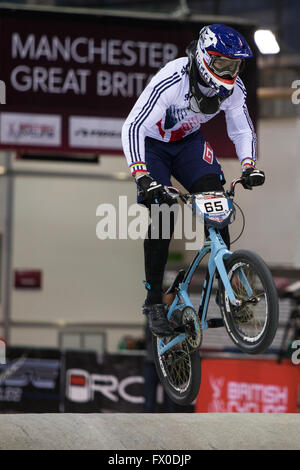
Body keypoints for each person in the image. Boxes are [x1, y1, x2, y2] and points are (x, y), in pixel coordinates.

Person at [121, 24, 265, 337]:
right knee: (163, 214)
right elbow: (133, 127)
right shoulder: (172, 79)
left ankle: (225, 288)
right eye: (222, 64)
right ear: (202, 59)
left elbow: (241, 129)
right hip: (153, 146)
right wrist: (141, 173)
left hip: (188, 143)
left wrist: (249, 166)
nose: (229, 71)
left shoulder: (233, 89)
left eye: (235, 66)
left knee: (217, 201)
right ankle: (153, 301)